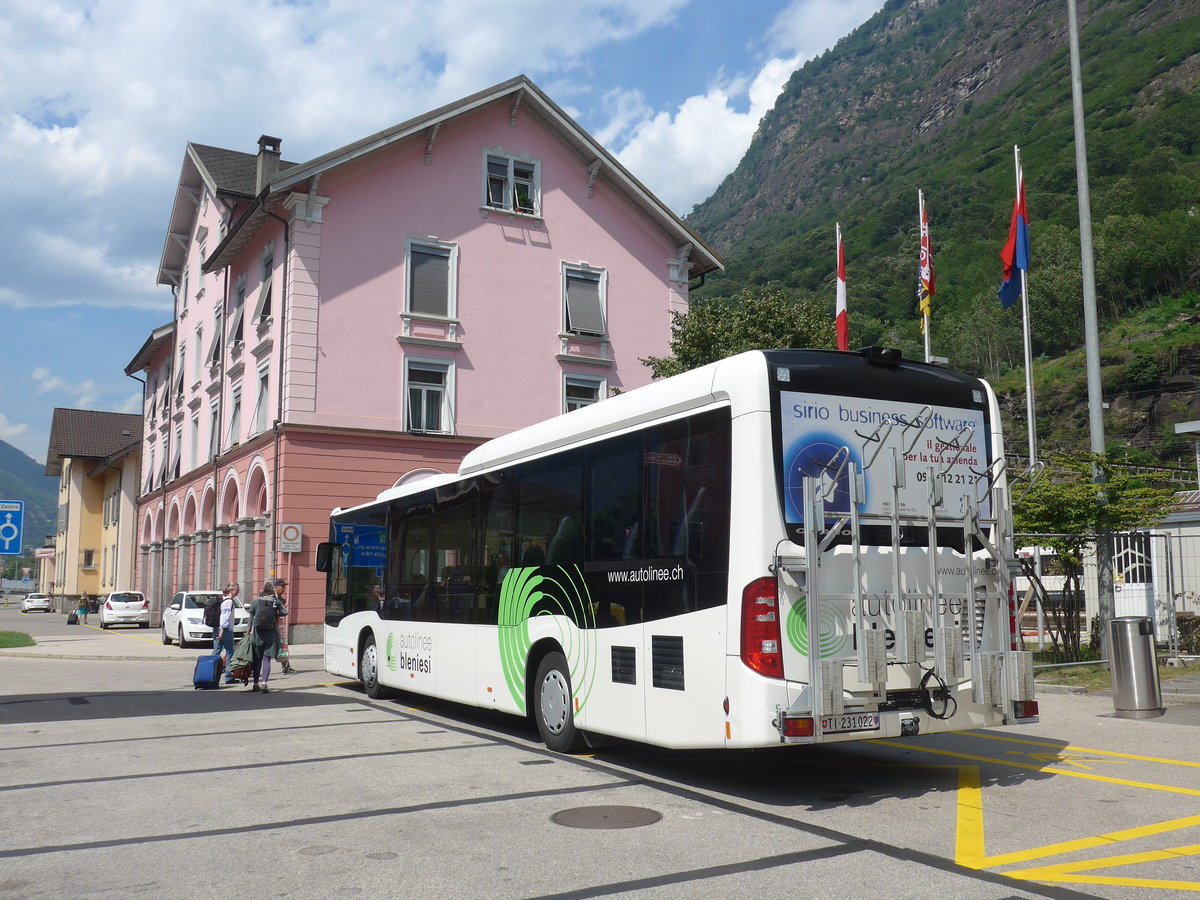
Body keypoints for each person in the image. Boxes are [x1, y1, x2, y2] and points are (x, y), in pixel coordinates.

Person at [247, 578, 288, 693]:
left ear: (262, 591)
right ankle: (264, 682)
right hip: (271, 632)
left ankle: (255, 684)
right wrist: (277, 612)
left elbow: (250, 619)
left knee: (257, 659)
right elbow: (285, 612)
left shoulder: (255, 602)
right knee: (266, 659)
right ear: (271, 591)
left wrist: (248, 631)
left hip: (257, 634)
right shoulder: (275, 602)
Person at [214, 583, 240, 684]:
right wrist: (222, 631)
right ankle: (228, 677)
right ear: (232, 590)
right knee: (230, 652)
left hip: (222, 630)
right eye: (237, 590)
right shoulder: (229, 602)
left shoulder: (224, 600)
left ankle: (211, 673)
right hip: (226, 630)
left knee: (216, 652)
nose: (238, 592)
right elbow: (225, 617)